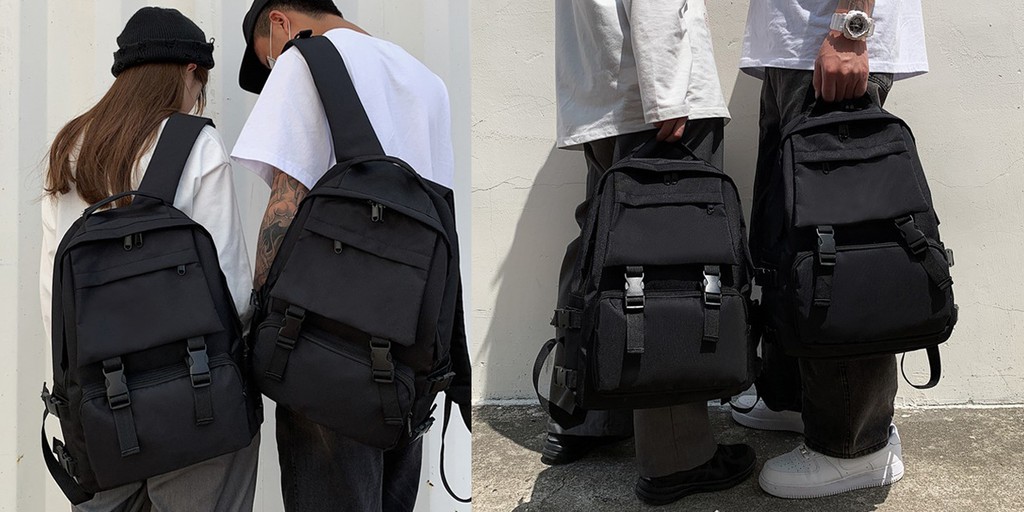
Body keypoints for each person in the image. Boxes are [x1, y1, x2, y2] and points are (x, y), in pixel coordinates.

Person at [231, 1, 454, 510]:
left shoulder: (303, 60)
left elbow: (286, 204)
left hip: (327, 349)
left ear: (280, 23)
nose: (274, 66)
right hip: (411, 350)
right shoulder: (427, 82)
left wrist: (258, 323)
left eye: (267, 58)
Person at [40, 7, 258, 512]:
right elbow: (232, 291)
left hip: (100, 405)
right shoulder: (197, 143)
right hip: (195, 399)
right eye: (199, 84)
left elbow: (54, 293)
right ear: (189, 70)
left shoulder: (71, 146)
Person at [549, 0, 756, 505]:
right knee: (671, 274)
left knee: (605, 261)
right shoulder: (663, 100)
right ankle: (677, 459)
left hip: (606, 98)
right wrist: (667, 95)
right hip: (655, 101)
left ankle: (587, 418)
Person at [734, 0, 926, 499]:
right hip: (794, 47)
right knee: (787, 243)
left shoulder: (841, 36)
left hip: (829, 42)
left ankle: (855, 444)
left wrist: (848, 29)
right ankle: (796, 400)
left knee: (841, 250)